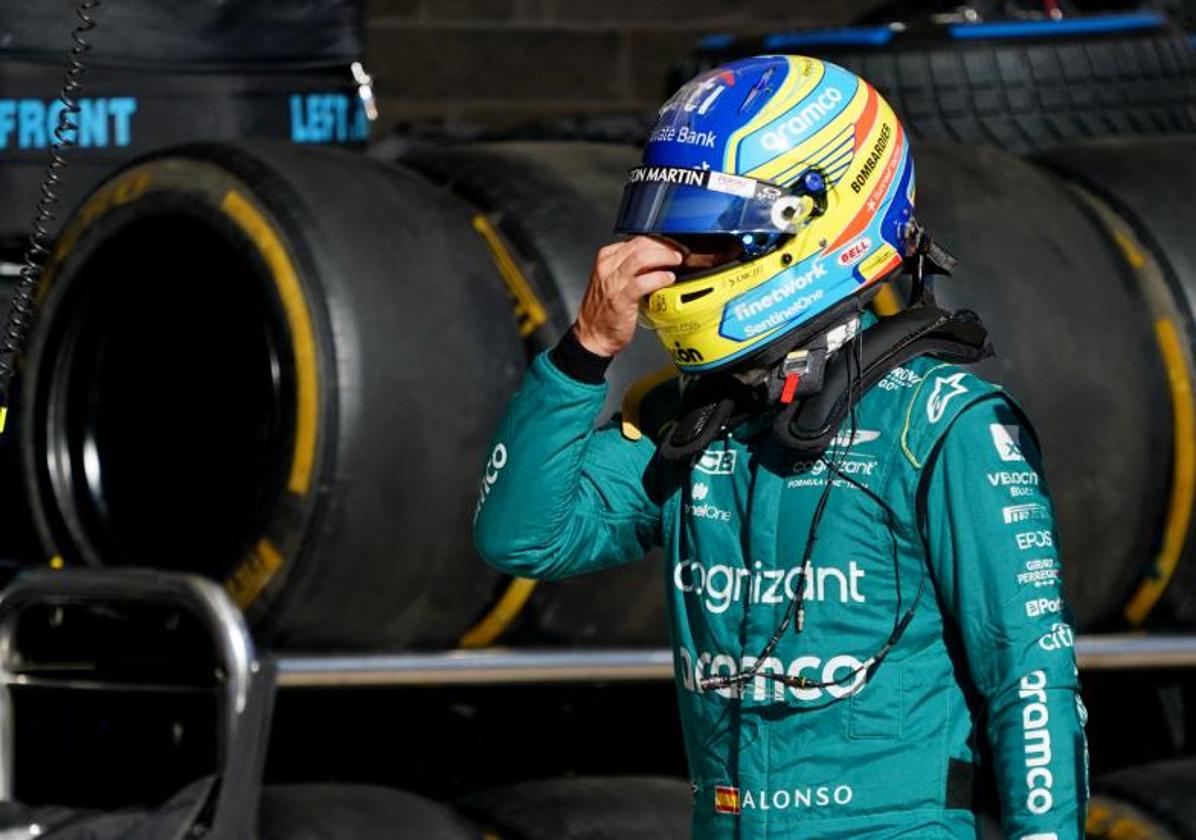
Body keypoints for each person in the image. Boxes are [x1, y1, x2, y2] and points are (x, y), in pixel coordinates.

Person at [473, 55, 1087, 839]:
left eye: (702, 237)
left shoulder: (944, 423)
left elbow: (1029, 678)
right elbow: (523, 535)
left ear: (810, 222)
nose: (669, 264)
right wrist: (585, 349)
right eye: (666, 230)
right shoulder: (692, 418)